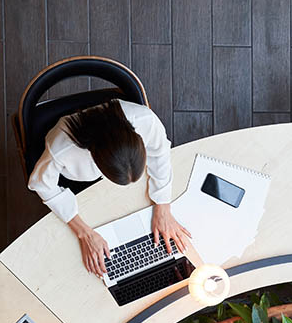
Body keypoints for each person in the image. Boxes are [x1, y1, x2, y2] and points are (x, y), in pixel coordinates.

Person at [28, 99, 190, 276]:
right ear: (95, 159)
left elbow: (160, 153)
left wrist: (163, 206)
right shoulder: (62, 149)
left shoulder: (145, 120)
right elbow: (41, 184)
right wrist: (85, 233)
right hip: (76, 182)